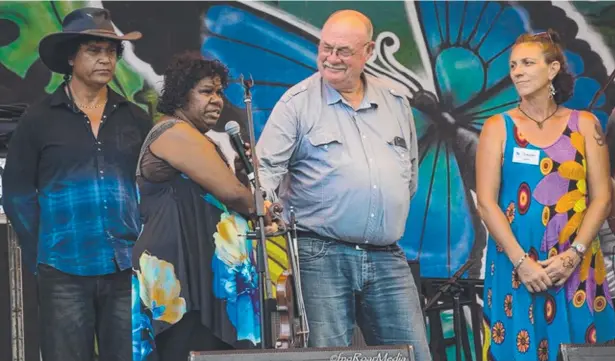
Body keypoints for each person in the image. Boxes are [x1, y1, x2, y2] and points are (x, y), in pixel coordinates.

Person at [255, 9, 431, 361]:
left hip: (387, 256)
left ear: (369, 52)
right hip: (320, 254)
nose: (331, 58)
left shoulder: (395, 102)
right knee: (328, 356)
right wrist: (263, 205)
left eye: (343, 51)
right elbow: (263, 174)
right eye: (325, 48)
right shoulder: (296, 103)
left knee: (413, 355)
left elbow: (408, 176)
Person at [2, 7, 151, 361]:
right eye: (94, 51)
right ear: (71, 57)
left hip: (123, 266)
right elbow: (17, 192)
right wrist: (42, 250)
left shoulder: (134, 117)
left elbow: (149, 184)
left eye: (112, 52)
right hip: (63, 267)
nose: (106, 59)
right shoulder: (38, 118)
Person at [477, 30, 615, 361]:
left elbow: (602, 198)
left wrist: (574, 255)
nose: (517, 72)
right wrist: (522, 263)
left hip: (574, 265)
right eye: (513, 65)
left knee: (580, 348)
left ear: (552, 69)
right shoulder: (498, 126)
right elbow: (486, 201)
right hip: (516, 266)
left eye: (527, 63)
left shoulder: (585, 124)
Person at [131, 51, 278, 361]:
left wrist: (241, 176)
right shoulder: (175, 132)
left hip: (200, 276)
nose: (217, 100)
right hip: (183, 277)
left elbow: (219, 196)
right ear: (181, 94)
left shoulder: (195, 137)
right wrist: (261, 205)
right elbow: (234, 195)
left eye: (220, 92)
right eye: (206, 91)